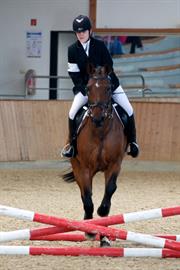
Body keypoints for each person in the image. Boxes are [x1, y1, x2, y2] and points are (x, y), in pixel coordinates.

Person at [61, 15, 139, 158]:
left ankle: (133, 143)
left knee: (128, 109)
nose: (81, 35)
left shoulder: (100, 45)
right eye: (78, 32)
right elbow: (73, 73)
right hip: (86, 89)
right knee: (72, 113)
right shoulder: (72, 50)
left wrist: (102, 81)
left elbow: (109, 64)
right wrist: (84, 87)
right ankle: (71, 145)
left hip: (108, 85)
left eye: (83, 31)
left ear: (90, 31)